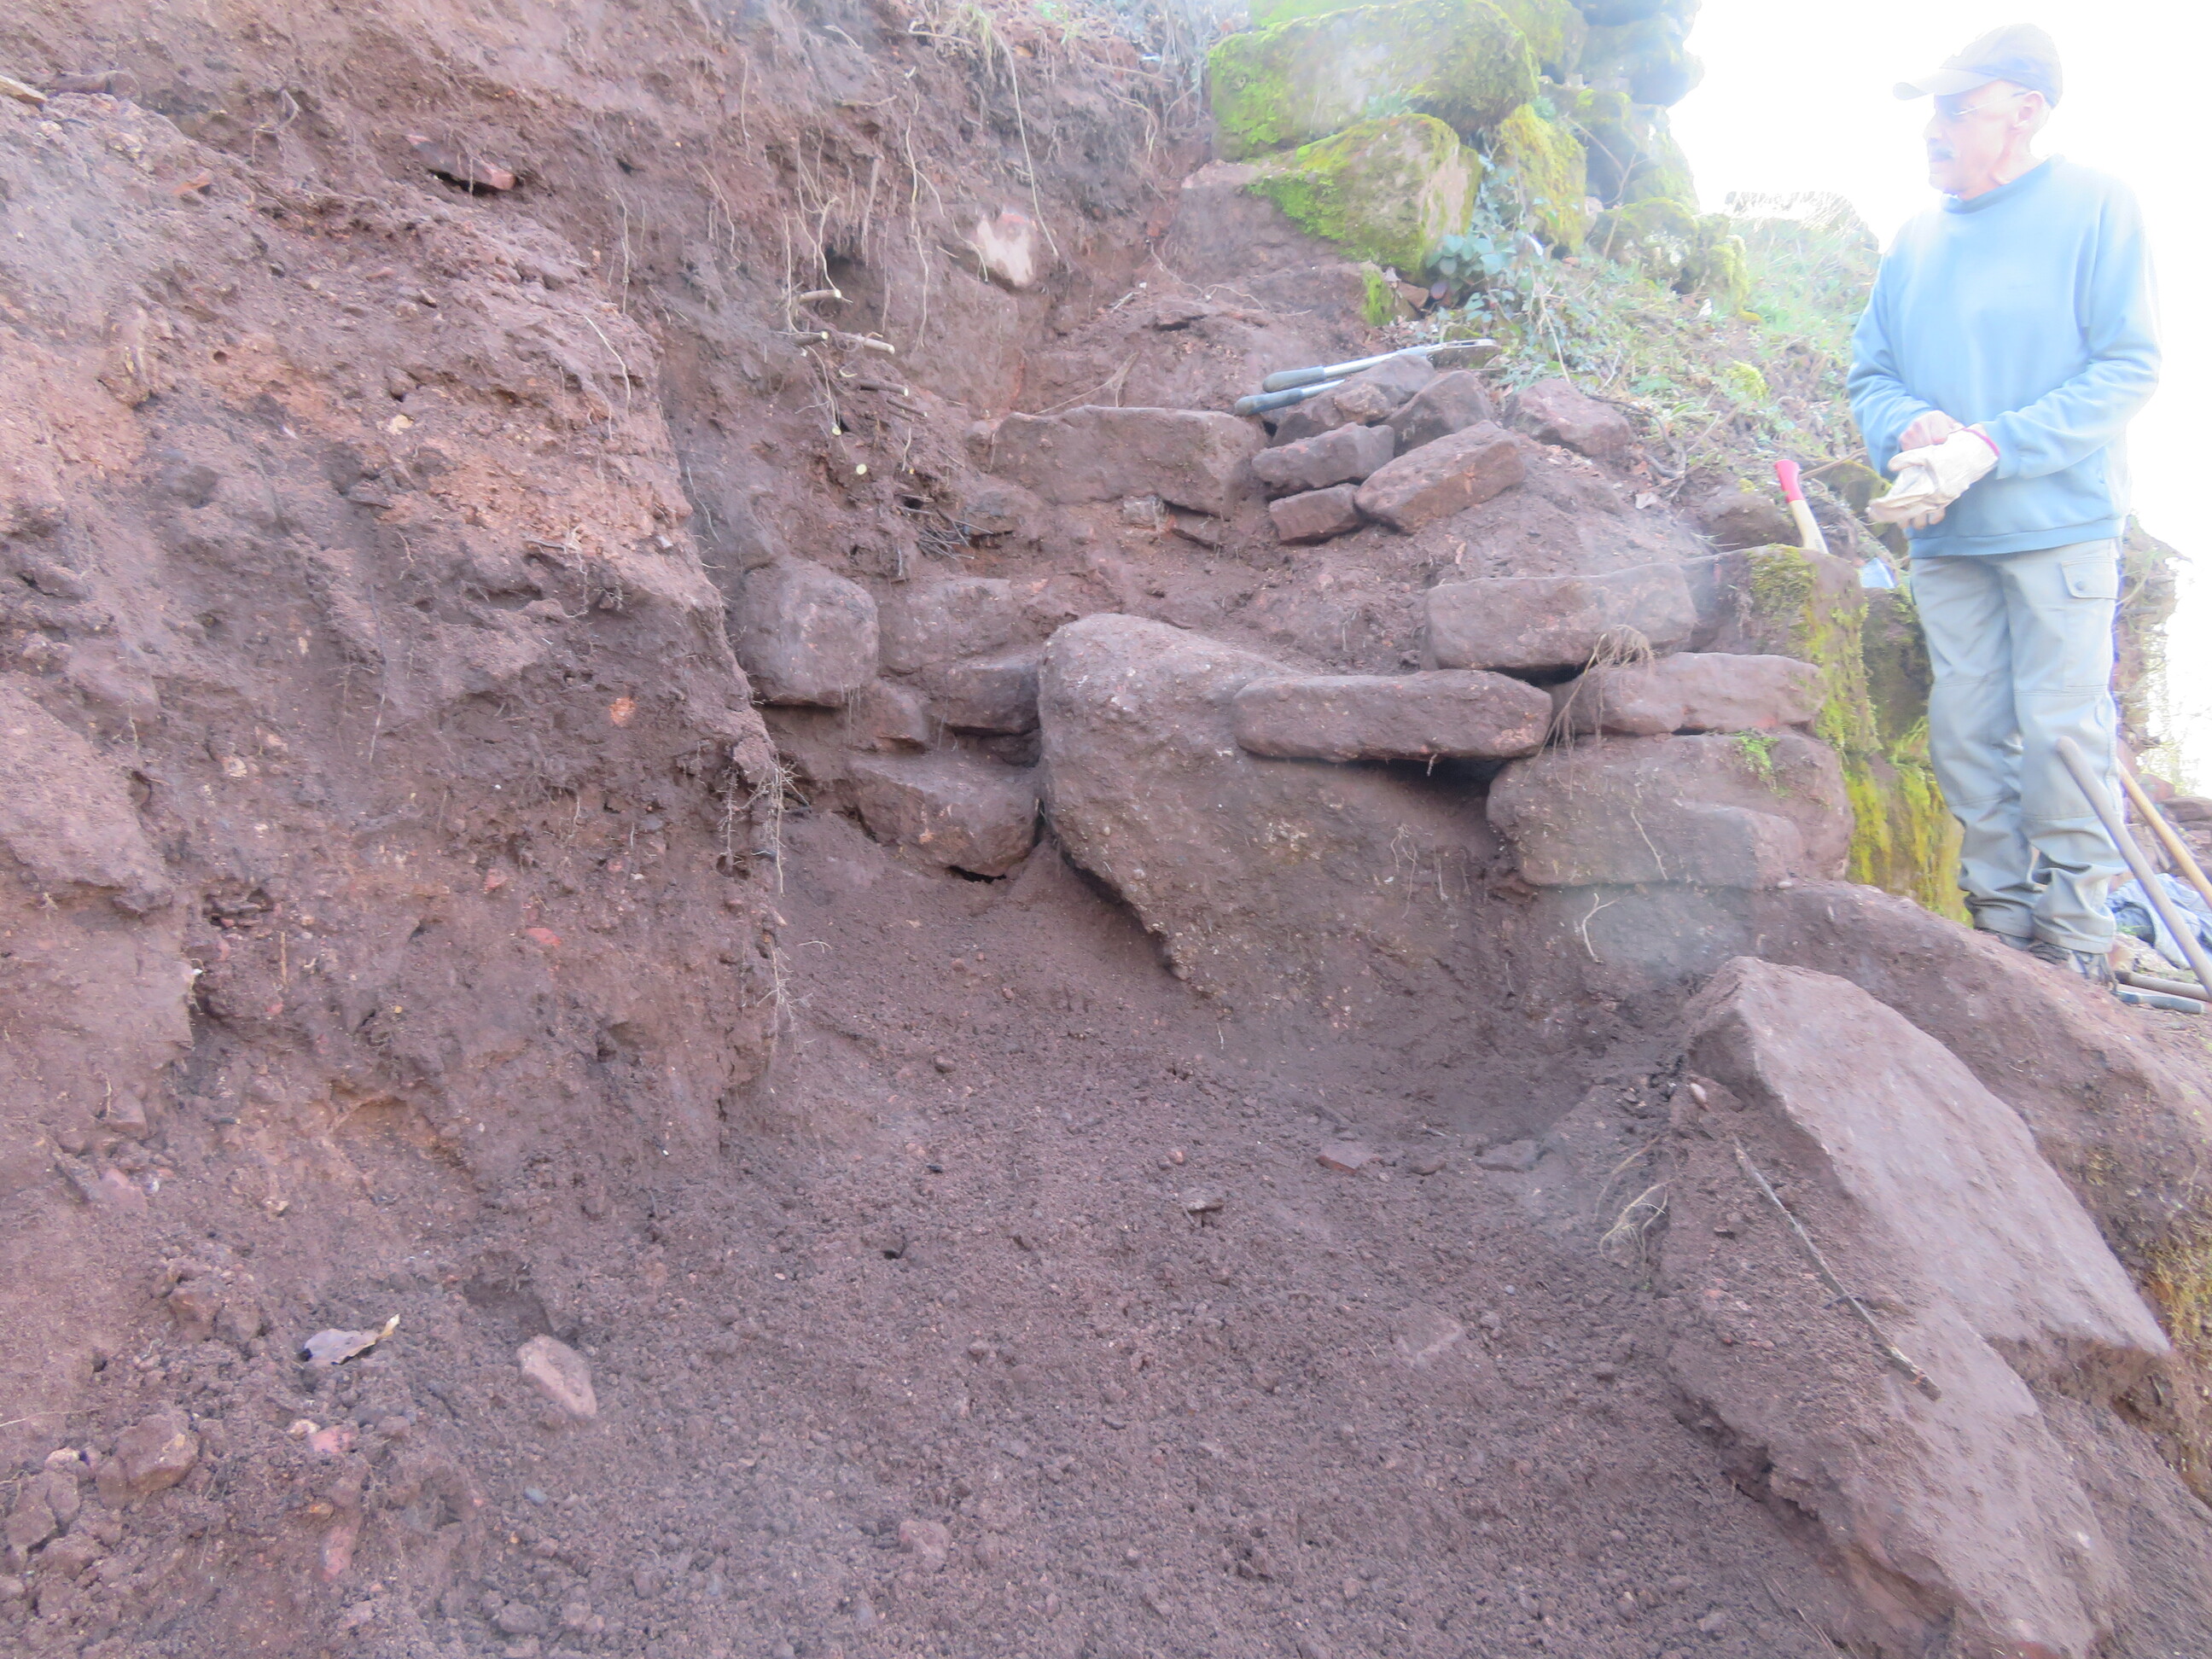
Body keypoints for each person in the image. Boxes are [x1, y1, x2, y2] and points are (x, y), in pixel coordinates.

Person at [1848, 23, 2160, 983]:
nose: (1933, 128)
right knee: (1966, 736)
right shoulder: (1915, 240)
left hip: (2060, 529)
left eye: (1956, 108)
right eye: (1932, 111)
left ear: (2025, 112)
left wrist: (1993, 445)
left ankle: (2077, 939)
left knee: (2063, 735)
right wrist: (1910, 424)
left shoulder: (2096, 206)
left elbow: (2128, 366)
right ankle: (2001, 927)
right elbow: (1871, 376)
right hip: (1948, 539)